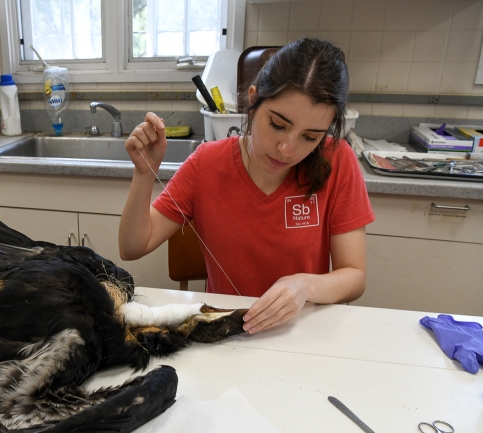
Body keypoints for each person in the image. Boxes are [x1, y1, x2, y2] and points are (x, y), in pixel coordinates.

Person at [119, 38, 374, 335]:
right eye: (277, 124)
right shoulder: (207, 163)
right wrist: (144, 173)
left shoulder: (337, 159)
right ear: (252, 101)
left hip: (302, 334)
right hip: (226, 332)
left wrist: (304, 285)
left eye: (310, 137)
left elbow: (355, 276)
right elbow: (132, 247)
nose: (286, 148)